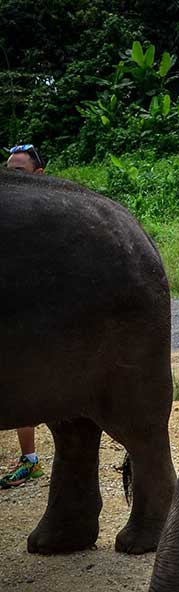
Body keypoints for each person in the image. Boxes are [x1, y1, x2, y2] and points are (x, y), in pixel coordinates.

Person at [1, 144, 46, 489]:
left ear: (39, 175)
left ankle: (32, 460)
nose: (10, 178)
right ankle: (29, 459)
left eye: (18, 172)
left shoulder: (48, 211)